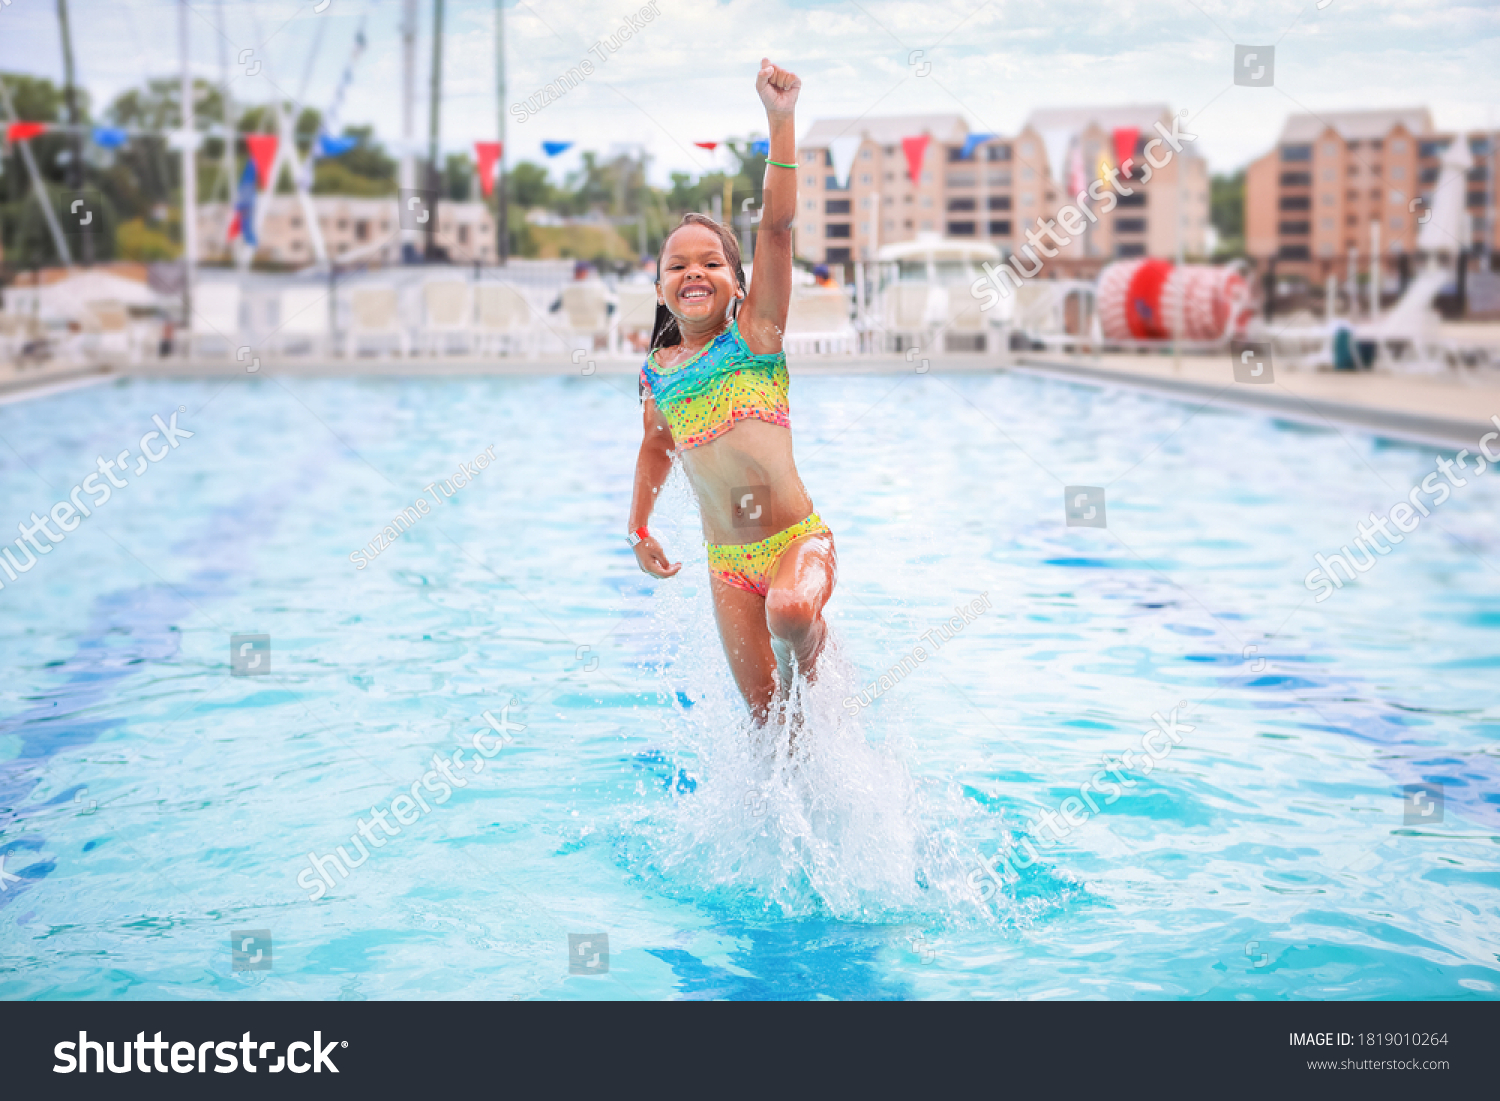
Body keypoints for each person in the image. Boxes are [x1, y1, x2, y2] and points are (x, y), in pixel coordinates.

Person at [627, 57, 835, 725]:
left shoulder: (757, 336)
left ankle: (818, 661)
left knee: (791, 610)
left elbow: (776, 228)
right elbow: (656, 444)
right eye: (678, 265)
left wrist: (781, 119)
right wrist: (638, 526)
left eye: (711, 262)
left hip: (796, 543)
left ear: (739, 284)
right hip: (728, 566)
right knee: (766, 723)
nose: (694, 272)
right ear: (660, 287)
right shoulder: (658, 371)